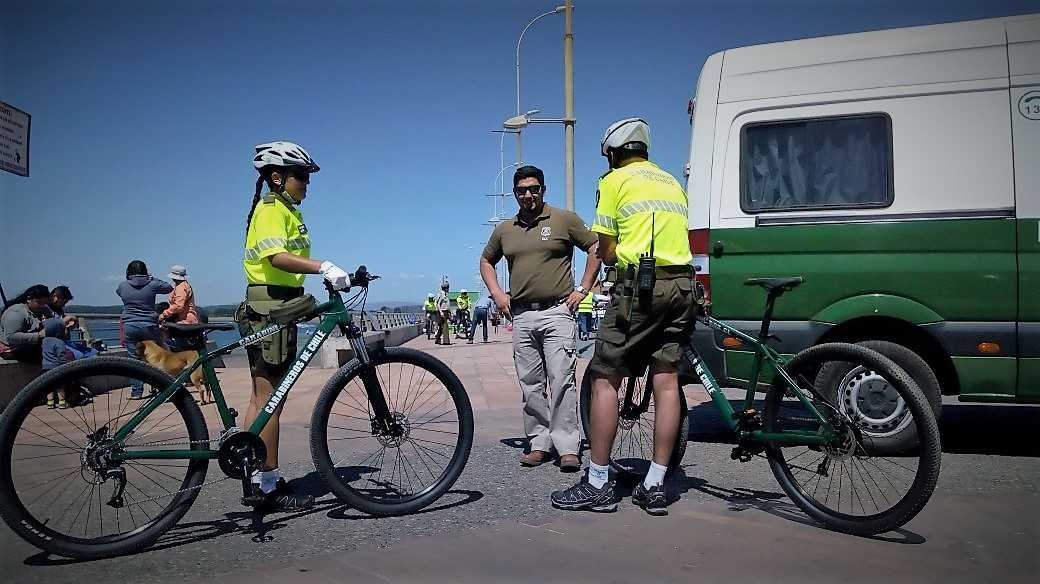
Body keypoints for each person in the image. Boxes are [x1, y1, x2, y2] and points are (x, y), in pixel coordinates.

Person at [552, 118, 696, 516]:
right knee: (666, 380)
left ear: (613, 153)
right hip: (683, 285)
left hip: (641, 289)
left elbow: (607, 249)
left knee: (604, 378)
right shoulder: (671, 182)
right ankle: (655, 483)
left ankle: (598, 481)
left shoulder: (614, 181)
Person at [237, 140, 349, 512]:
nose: (306, 183)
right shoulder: (272, 209)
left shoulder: (281, 208)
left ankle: (253, 471)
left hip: (271, 303)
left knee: (261, 396)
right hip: (273, 306)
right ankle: (267, 484)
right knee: (272, 399)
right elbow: (277, 257)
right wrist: (324, 266)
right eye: (300, 176)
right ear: (276, 177)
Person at [480, 165, 601, 472]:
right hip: (521, 316)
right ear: (515, 193)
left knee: (562, 381)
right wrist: (497, 294)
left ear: (544, 190)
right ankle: (538, 443)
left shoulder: (564, 219)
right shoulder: (506, 229)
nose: (528, 195)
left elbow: (595, 247)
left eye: (534, 189)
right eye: (522, 190)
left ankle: (568, 447)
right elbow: (486, 261)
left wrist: (583, 289)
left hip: (557, 312)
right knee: (531, 385)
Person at [117, 260, 174, 399]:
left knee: (134, 360)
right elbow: (168, 287)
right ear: (145, 271)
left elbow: (119, 293)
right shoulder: (152, 283)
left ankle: (136, 392)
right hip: (149, 325)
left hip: (130, 325)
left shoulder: (123, 285)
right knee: (157, 357)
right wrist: (150, 278)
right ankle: (162, 388)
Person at [0, 284, 59, 363]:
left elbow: (53, 323)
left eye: (44, 303)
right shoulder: (16, 312)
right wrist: (38, 335)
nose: (42, 305)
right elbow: (11, 337)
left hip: (33, 346)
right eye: (39, 302)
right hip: (12, 349)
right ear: (29, 299)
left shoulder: (43, 310)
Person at [159, 265, 200, 351]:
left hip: (184, 321)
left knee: (169, 342)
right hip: (188, 319)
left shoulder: (181, 287)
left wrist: (163, 315)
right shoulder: (185, 285)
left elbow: (178, 306)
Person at [434, 280, 451, 345]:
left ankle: (437, 339)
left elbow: (447, 305)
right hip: (442, 312)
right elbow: (438, 304)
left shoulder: (446, 295)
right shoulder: (441, 294)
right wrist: (441, 312)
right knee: (445, 326)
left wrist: (449, 312)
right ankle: (446, 341)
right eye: (448, 288)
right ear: (446, 288)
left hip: (446, 312)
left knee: (441, 327)